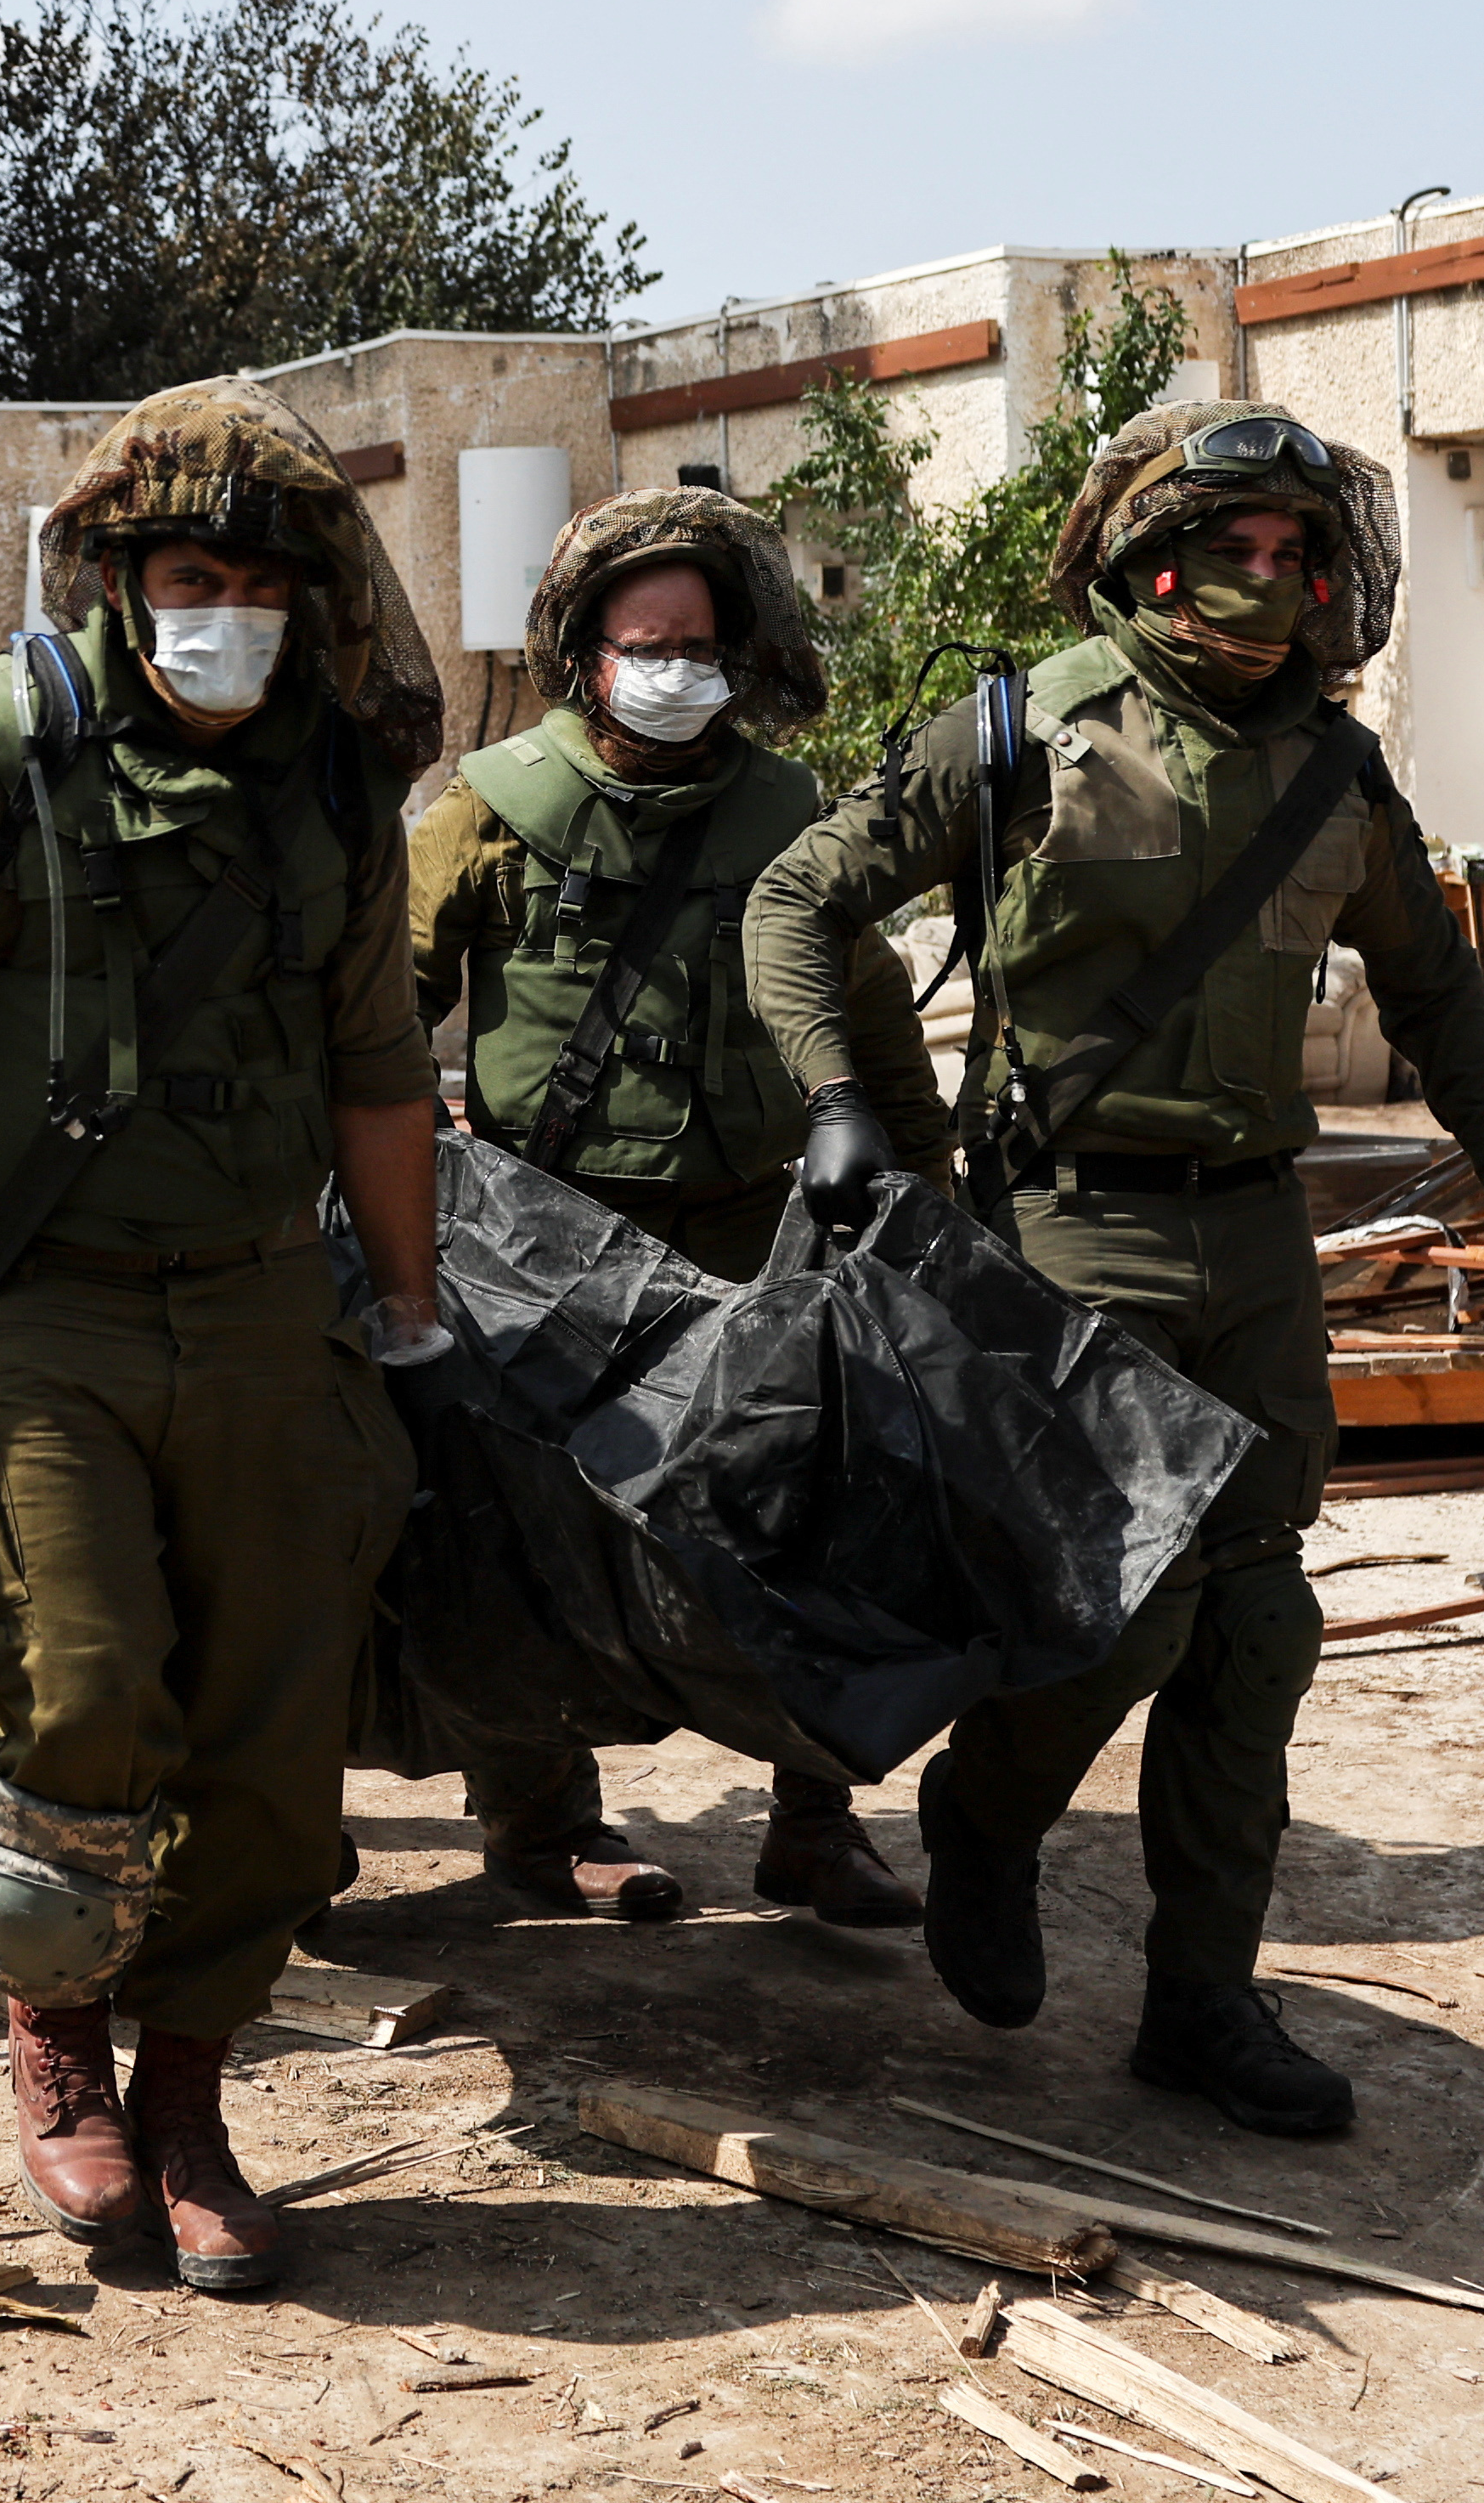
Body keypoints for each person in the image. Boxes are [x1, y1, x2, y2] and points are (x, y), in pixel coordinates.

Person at [742, 404, 1484, 2144]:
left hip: (1256, 1232)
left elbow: (1430, 986)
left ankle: (1202, 2001)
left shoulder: (1337, 776)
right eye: (1228, 548)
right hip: (1065, 1228)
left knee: (1260, 1620)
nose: (1262, 585)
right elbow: (796, 901)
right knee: (1130, 1601)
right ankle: (986, 1814)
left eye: (1295, 555)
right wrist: (836, 1098)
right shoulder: (1024, 724)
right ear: (1148, 552)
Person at [0, 377, 447, 2297]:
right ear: (120, 583)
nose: (230, 612)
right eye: (191, 575)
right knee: (85, 1687)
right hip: (39, 1314)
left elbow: (381, 1066)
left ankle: (193, 2090)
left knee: (280, 1734)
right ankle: (59, 2043)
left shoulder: (328, 783)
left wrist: (412, 1302)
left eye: (262, 583)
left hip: (265, 1307)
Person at [406, 486, 954, 1927]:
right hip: (540, 1244)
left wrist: (925, 1177)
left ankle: (814, 1823)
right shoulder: (492, 807)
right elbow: (372, 1002)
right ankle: (543, 1825)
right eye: (646, 642)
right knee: (528, 1534)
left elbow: (872, 1008)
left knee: (795, 1520)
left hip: (749, 1231)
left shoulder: (786, 812)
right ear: (586, 651)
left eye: (698, 644)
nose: (674, 669)